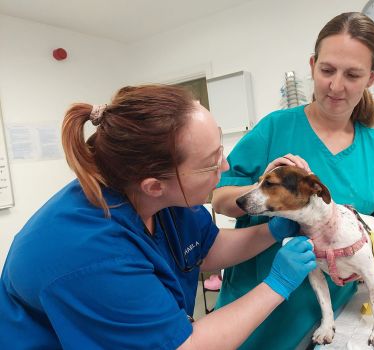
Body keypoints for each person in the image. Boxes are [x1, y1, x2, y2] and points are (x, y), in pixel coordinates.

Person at [0, 84, 318, 349]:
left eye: (219, 149)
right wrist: (277, 284)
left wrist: (272, 232)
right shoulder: (92, 256)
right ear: (154, 186)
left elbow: (205, 249)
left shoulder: (164, 196)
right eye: (211, 162)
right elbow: (185, 346)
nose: (224, 168)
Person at [212, 12, 374, 349]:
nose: (336, 86)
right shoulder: (274, 128)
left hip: (336, 312)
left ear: (373, 76)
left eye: (352, 74)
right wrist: (264, 187)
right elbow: (220, 198)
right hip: (260, 309)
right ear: (312, 65)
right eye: (327, 70)